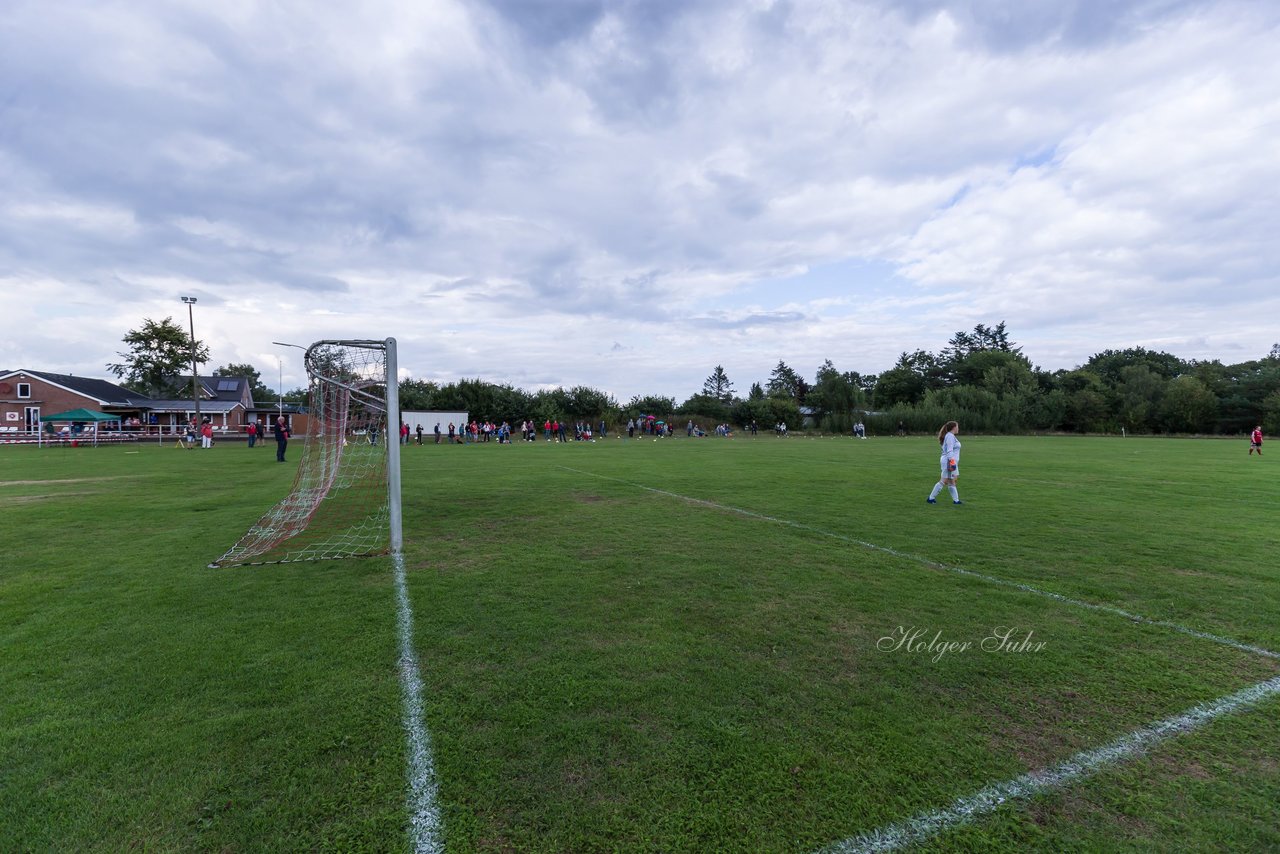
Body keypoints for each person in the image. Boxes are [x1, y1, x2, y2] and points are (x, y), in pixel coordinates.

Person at [928, 421, 962, 505]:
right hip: (948, 461)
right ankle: (931, 498)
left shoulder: (951, 436)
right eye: (957, 426)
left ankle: (956, 501)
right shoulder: (950, 436)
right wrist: (952, 462)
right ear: (953, 427)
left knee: (952, 480)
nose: (958, 428)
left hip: (949, 460)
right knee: (944, 480)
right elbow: (949, 450)